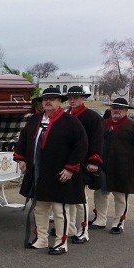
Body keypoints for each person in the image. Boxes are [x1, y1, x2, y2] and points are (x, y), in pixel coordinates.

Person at [13, 87, 88, 255]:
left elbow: (81, 145)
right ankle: (42, 239)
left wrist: (70, 168)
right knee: (41, 207)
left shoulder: (71, 122)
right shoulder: (35, 120)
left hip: (60, 173)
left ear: (60, 101)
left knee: (60, 210)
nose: (48, 101)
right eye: (45, 99)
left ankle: (61, 242)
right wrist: (21, 158)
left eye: (52, 99)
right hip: (39, 173)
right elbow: (23, 140)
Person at [89, 98, 134, 234]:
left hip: (123, 167)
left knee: (120, 196)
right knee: (100, 193)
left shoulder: (131, 126)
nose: (117, 110)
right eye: (115, 107)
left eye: (120, 108)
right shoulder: (103, 124)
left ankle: (118, 222)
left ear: (126, 111)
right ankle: (100, 219)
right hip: (103, 165)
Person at [65, 86, 103, 244]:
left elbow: (97, 139)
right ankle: (70, 228)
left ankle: (83, 231)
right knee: (67, 198)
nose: (73, 100)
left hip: (83, 162)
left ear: (82, 98)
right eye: (70, 97)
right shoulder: (65, 115)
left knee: (80, 199)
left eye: (76, 97)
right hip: (66, 162)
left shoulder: (92, 117)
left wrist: (94, 160)